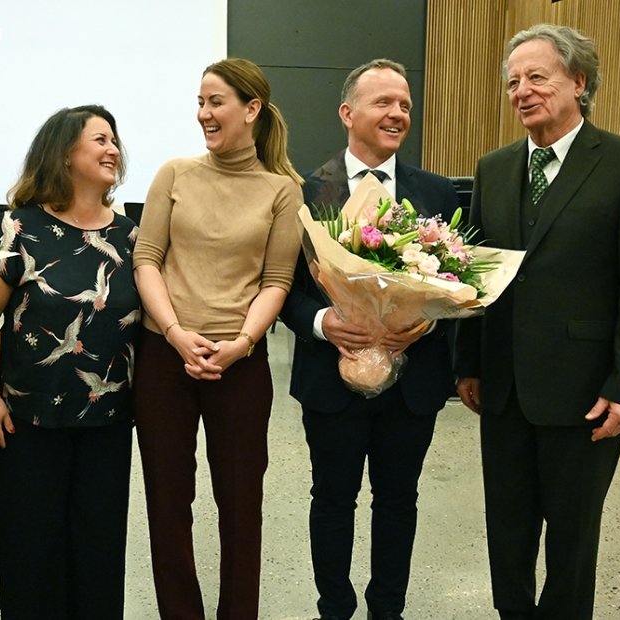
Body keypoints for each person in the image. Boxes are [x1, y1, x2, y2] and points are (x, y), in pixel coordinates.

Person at [453, 24, 620, 620]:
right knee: (508, 532)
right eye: (513, 81)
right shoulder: (493, 168)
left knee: (572, 541)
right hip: (502, 389)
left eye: (537, 77)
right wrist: (468, 362)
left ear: (578, 81)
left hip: (584, 390)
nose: (522, 91)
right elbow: (476, 274)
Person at [279, 59, 459, 620]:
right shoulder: (304, 192)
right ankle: (334, 607)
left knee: (398, 500)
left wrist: (423, 320)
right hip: (330, 377)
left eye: (404, 104)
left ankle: (388, 610)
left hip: (414, 382)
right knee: (332, 500)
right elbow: (280, 289)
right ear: (347, 113)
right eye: (383, 102)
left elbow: (456, 284)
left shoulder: (437, 192)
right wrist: (323, 324)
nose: (398, 113)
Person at [132, 57, 303, 620]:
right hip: (165, 358)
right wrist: (178, 335)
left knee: (240, 504)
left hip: (242, 364)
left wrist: (242, 343)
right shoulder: (175, 174)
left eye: (216, 102)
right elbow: (147, 260)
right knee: (167, 503)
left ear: (251, 109)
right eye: (200, 102)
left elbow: (277, 281)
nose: (204, 113)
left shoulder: (283, 191)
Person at [0, 105, 139, 619]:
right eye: (100, 140)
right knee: (32, 554)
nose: (114, 150)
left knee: (100, 553)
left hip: (108, 422)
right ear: (64, 154)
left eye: (115, 141)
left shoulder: (131, 236)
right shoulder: (18, 227)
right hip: (25, 423)